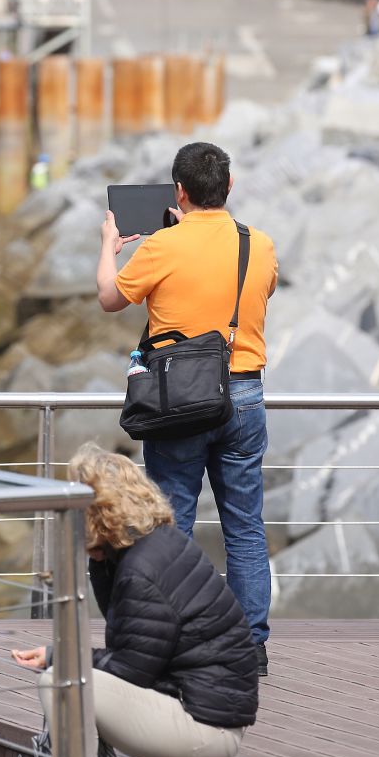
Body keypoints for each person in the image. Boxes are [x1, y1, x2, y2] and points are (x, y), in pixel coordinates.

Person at [95, 142, 278, 674]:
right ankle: (252, 646)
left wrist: (111, 244)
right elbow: (262, 292)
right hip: (244, 394)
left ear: (179, 192)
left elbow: (110, 297)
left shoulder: (162, 247)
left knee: (170, 525)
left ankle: (174, 640)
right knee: (245, 525)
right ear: (230, 187)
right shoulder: (258, 244)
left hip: (180, 399)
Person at [11, 444, 258, 757]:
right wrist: (98, 559)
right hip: (202, 715)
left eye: (74, 507)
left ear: (97, 511)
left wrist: (60, 658)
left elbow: (131, 669)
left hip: (206, 731)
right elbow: (132, 649)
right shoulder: (152, 546)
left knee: (59, 683)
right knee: (68, 678)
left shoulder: (141, 570)